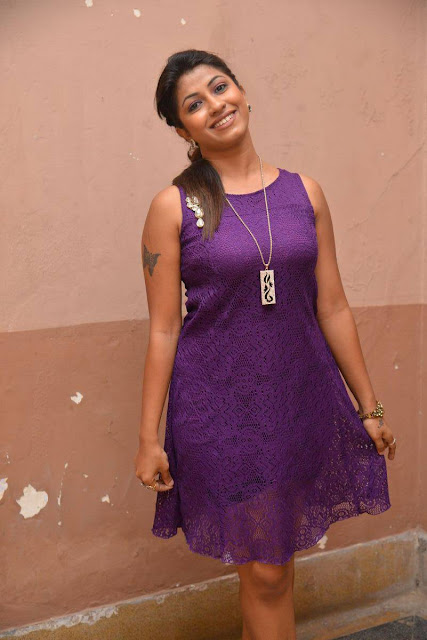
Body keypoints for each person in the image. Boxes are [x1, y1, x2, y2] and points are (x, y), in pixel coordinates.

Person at [134, 49, 396, 640]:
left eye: (219, 87)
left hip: (298, 401)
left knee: (273, 568)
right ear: (183, 131)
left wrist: (370, 407)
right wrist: (149, 438)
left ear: (243, 92)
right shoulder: (173, 207)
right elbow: (163, 328)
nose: (214, 105)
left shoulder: (307, 193)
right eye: (193, 104)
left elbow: (333, 306)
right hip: (220, 412)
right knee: (268, 571)